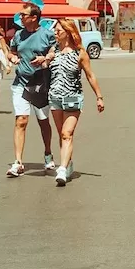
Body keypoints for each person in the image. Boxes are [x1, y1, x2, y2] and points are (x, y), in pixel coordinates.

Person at [48, 19, 105, 186]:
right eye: (55, 31)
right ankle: (68, 163)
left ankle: (62, 169)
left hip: (73, 97)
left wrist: (99, 96)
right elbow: (46, 67)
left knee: (67, 134)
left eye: (59, 30)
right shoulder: (54, 50)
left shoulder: (80, 53)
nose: (56, 33)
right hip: (55, 98)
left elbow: (90, 75)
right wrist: (43, 60)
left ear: (68, 31)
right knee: (62, 135)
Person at [7, 2, 56, 178]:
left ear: (34, 18)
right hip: (21, 81)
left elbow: (54, 51)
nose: (20, 17)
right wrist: (12, 58)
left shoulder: (47, 34)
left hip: (40, 82)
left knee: (43, 121)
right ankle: (18, 162)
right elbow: (11, 51)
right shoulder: (18, 35)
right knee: (21, 120)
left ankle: (48, 153)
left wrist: (46, 57)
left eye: (23, 15)